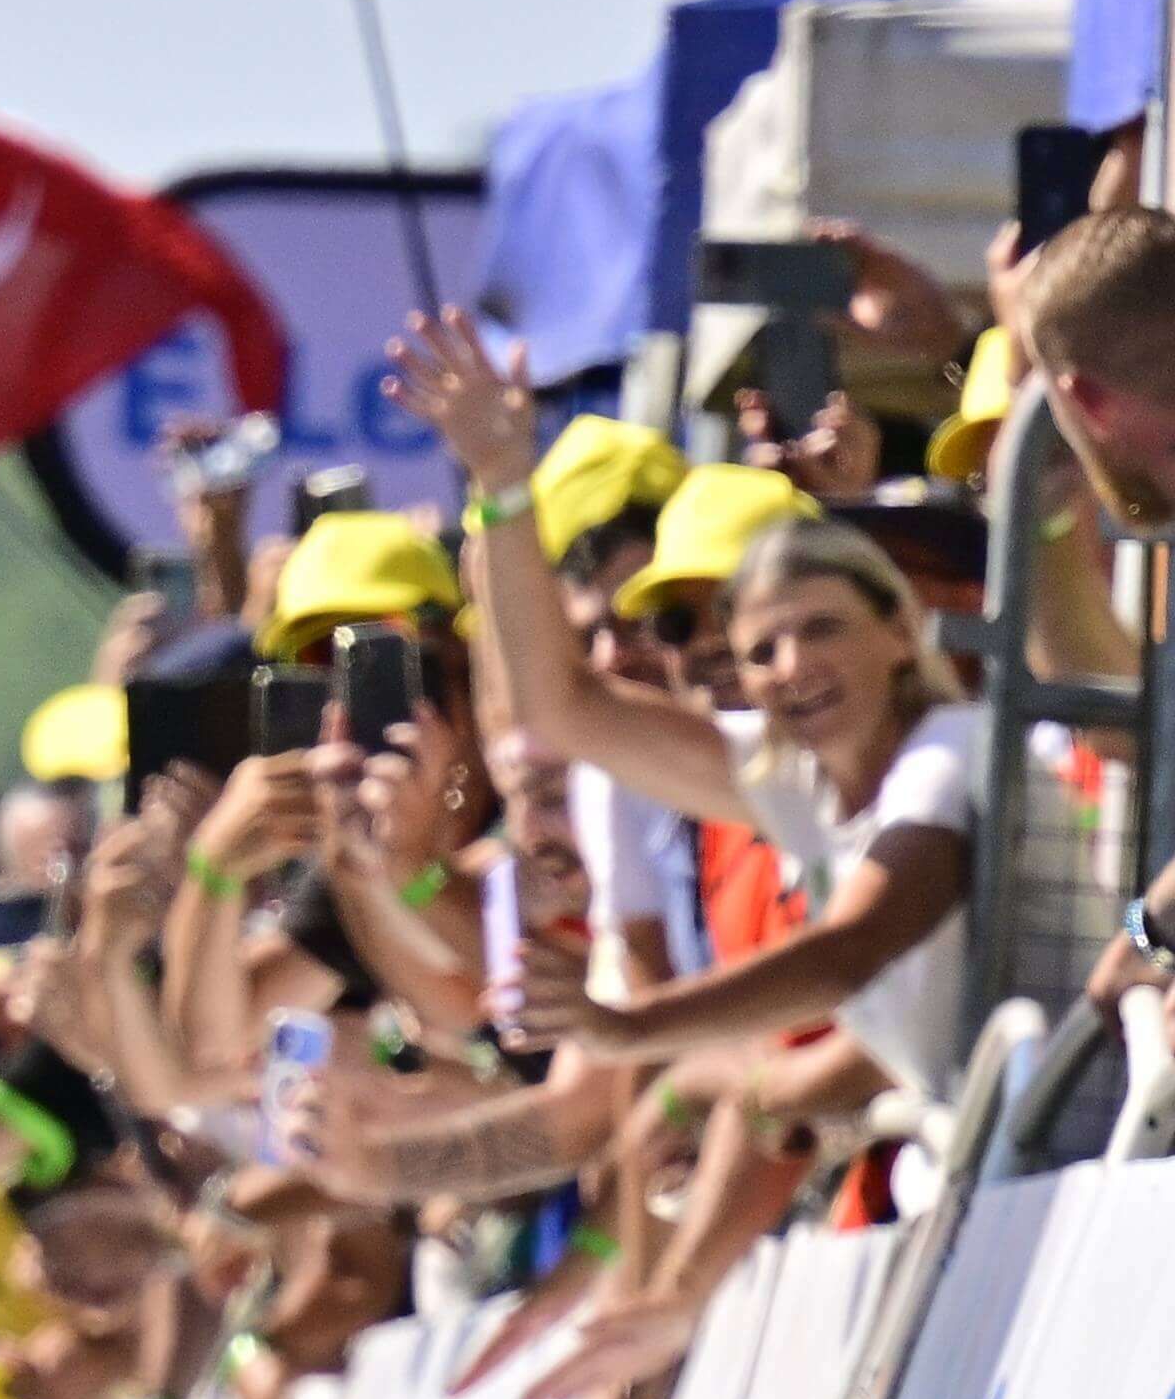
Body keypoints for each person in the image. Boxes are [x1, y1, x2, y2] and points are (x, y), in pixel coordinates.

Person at [402, 311, 978, 1110]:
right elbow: (563, 709)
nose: (793, 666)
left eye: (823, 627)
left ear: (900, 631)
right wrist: (500, 483)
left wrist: (626, 1029)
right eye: (761, 649)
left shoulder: (949, 750)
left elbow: (849, 954)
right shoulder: (794, 774)